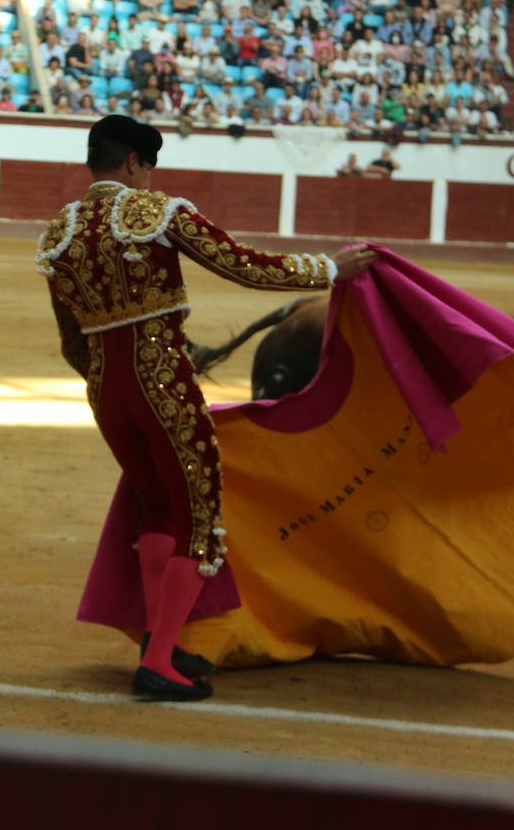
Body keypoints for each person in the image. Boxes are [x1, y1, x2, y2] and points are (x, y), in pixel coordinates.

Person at [36, 116, 377, 702]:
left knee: (157, 509)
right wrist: (327, 270)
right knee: (197, 516)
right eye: (149, 168)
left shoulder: (59, 233)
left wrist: (108, 382)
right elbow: (241, 265)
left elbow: (72, 340)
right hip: (161, 378)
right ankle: (160, 661)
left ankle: (155, 644)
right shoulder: (153, 212)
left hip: (104, 389)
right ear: (136, 163)